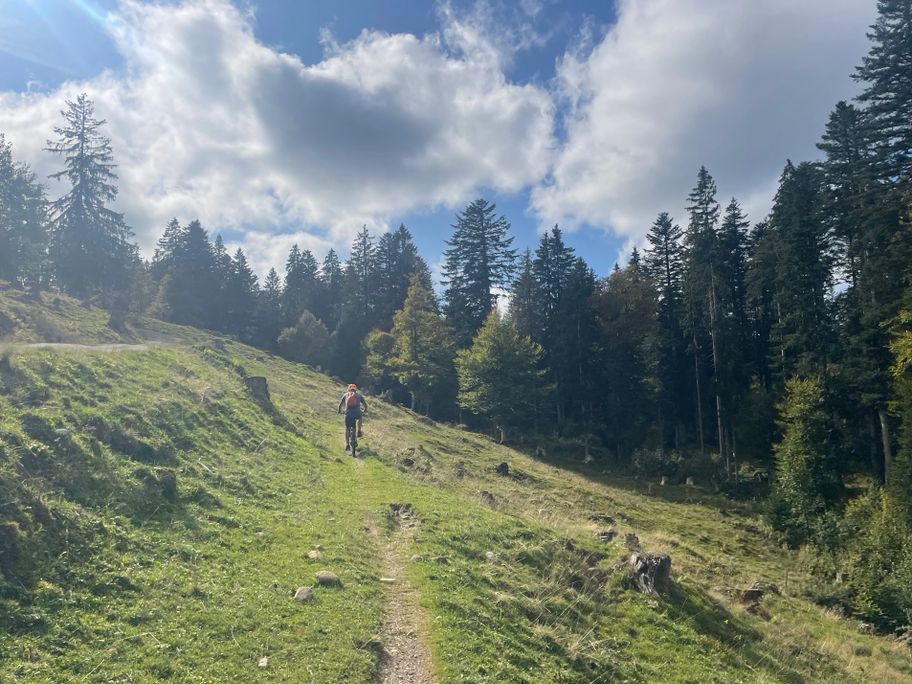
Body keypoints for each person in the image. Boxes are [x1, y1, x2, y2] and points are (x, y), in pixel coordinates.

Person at [337, 383, 367, 450]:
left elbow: (340, 405)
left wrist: (339, 411)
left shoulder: (345, 395)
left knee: (347, 428)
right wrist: (365, 410)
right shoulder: (359, 395)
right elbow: (365, 404)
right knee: (360, 416)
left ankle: (347, 445)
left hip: (348, 414)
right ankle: (359, 430)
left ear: (348, 389)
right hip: (357, 413)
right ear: (355, 389)